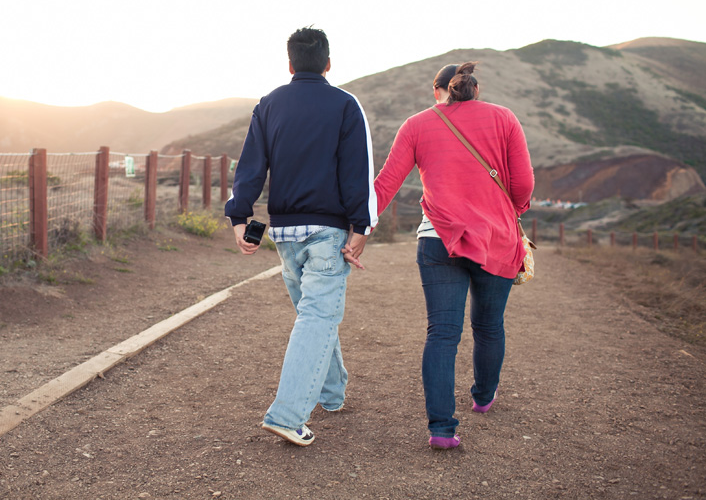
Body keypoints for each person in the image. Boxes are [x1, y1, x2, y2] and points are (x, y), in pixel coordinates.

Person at [347, 62, 534, 449]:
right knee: (489, 325)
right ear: (475, 91)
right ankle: (483, 397)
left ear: (438, 92)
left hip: (437, 240)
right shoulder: (504, 118)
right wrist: (509, 209)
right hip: (496, 238)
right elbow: (523, 184)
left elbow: (385, 184)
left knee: (443, 334)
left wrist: (361, 229)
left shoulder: (416, 124)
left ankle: (441, 429)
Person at [225, 27, 378, 446]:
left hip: (284, 234)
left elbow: (250, 167)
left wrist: (240, 217)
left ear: (290, 65)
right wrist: (362, 227)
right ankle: (288, 414)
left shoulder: (269, 105)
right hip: (327, 232)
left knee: (313, 314)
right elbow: (357, 171)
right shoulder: (346, 105)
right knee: (318, 316)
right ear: (328, 64)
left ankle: (331, 394)